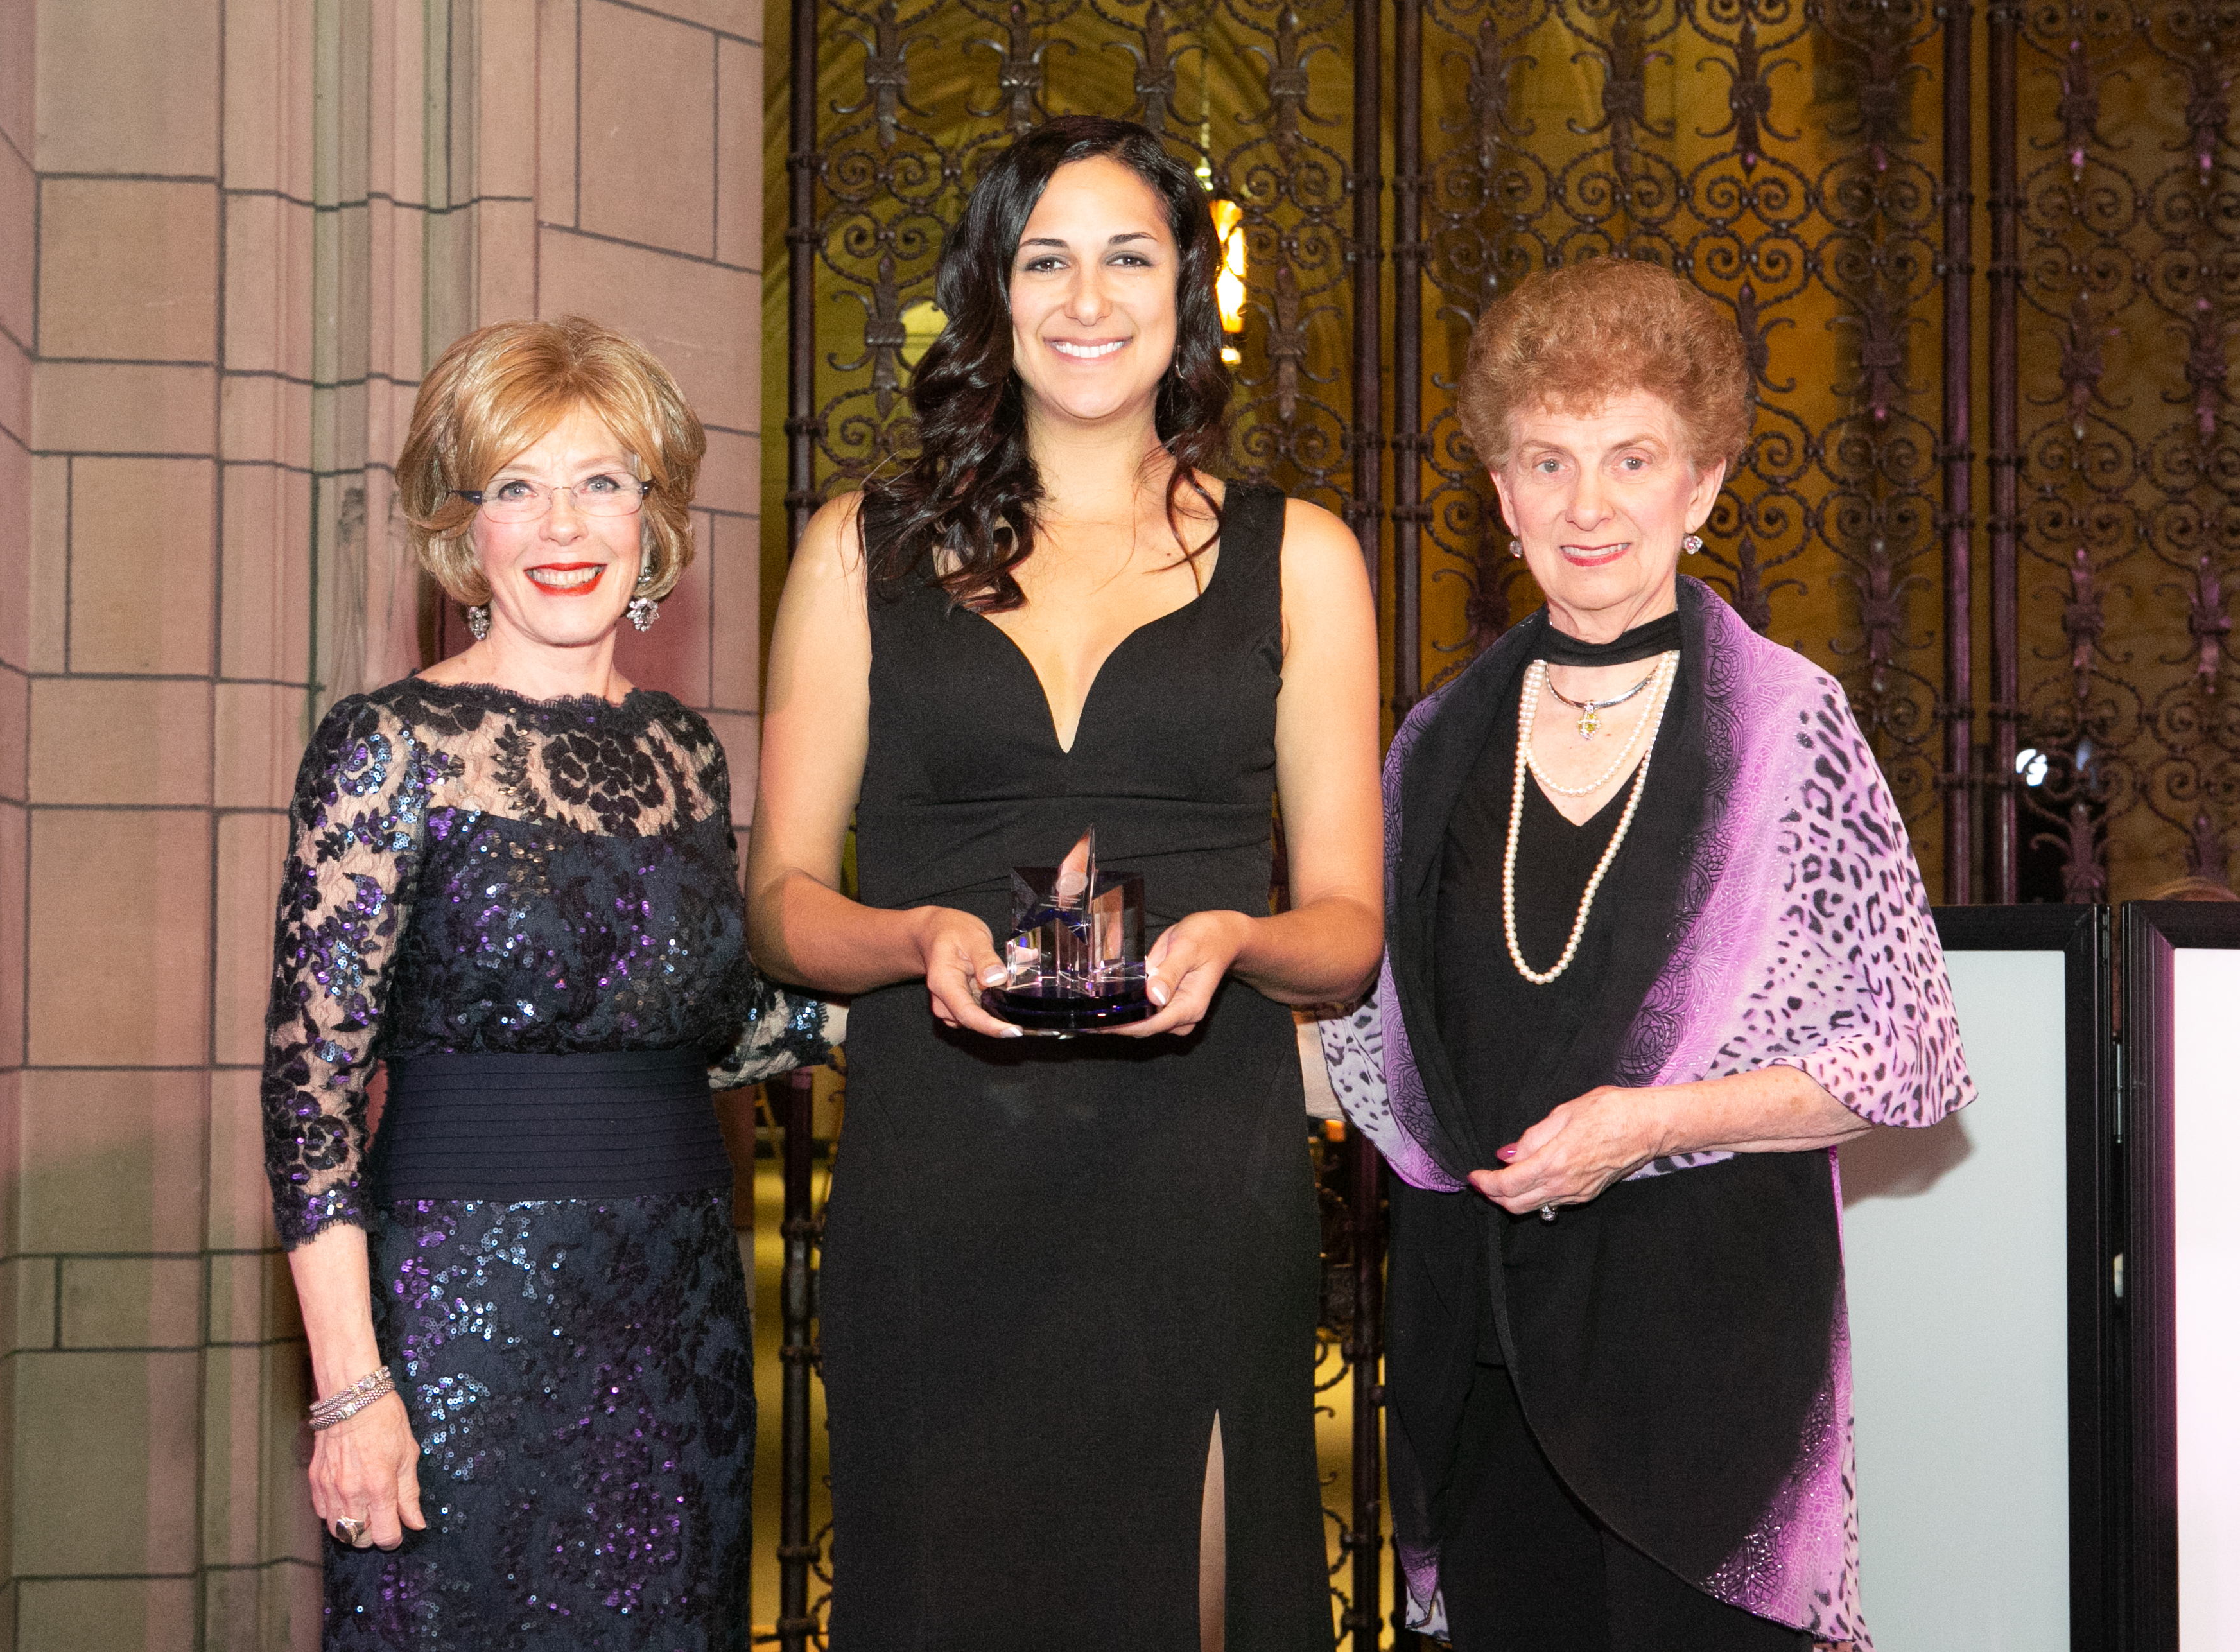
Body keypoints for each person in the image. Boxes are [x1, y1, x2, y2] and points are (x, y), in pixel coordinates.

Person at [747, 116, 1383, 1650]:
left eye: (1127, 257)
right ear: (993, 293)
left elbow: (1348, 936)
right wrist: (906, 937)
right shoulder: (858, 549)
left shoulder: (1299, 558)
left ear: (1190, 294)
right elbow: (777, 897)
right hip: (942, 1170)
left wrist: (1237, 940)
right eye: (1046, 260)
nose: (1087, 299)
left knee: (1206, 1605)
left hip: (1196, 1173)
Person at [1321, 257, 1975, 1651]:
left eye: (1632, 458)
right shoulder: (1433, 744)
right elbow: (1370, 1042)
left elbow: (1915, 1053)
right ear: (1500, 496)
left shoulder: (1787, 726)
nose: (1588, 504)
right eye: (1546, 462)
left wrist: (1651, 1124)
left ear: (1704, 485)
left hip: (1711, 1368)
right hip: (1482, 1352)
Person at [260, 315, 831, 1649]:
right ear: (466, 530)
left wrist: (910, 969)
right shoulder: (389, 750)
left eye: (602, 482)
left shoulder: (685, 753)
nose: (563, 526)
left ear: (654, 516)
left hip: (680, 1317)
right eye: (517, 487)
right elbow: (311, 1097)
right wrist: (352, 1389)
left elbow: (708, 1024)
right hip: (465, 1320)